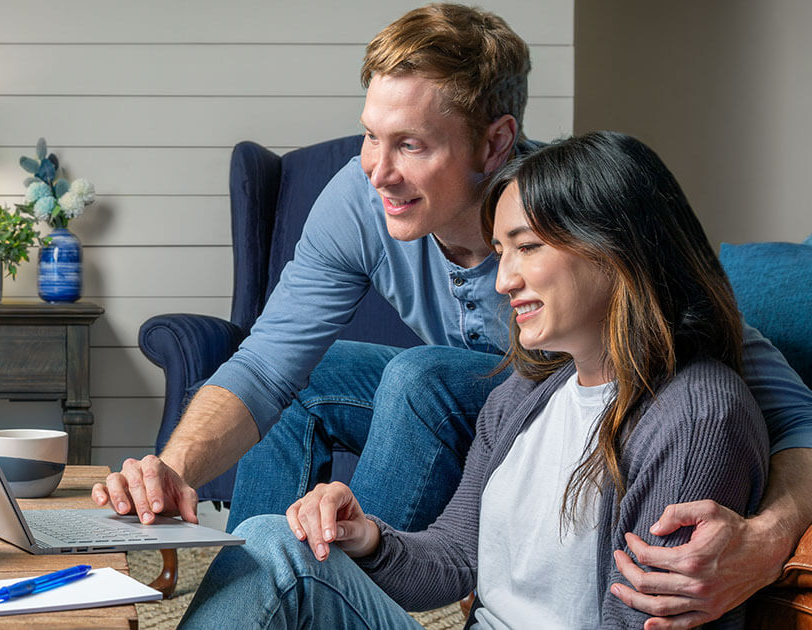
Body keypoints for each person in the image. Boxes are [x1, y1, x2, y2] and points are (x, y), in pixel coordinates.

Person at [92, 4, 812, 626]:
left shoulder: (598, 238)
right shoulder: (369, 207)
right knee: (298, 449)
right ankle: (294, 577)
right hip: (527, 398)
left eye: (409, 144)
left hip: (524, 388)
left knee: (422, 372)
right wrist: (174, 472)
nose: (376, 168)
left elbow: (786, 412)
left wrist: (769, 535)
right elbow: (267, 362)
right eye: (371, 134)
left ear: (495, 142)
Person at [180, 130, 770, 629]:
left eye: (527, 249)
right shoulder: (527, 392)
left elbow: (642, 616)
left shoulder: (695, 415)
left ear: (615, 250)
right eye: (498, 252)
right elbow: (456, 557)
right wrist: (368, 537)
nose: (503, 279)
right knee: (269, 540)